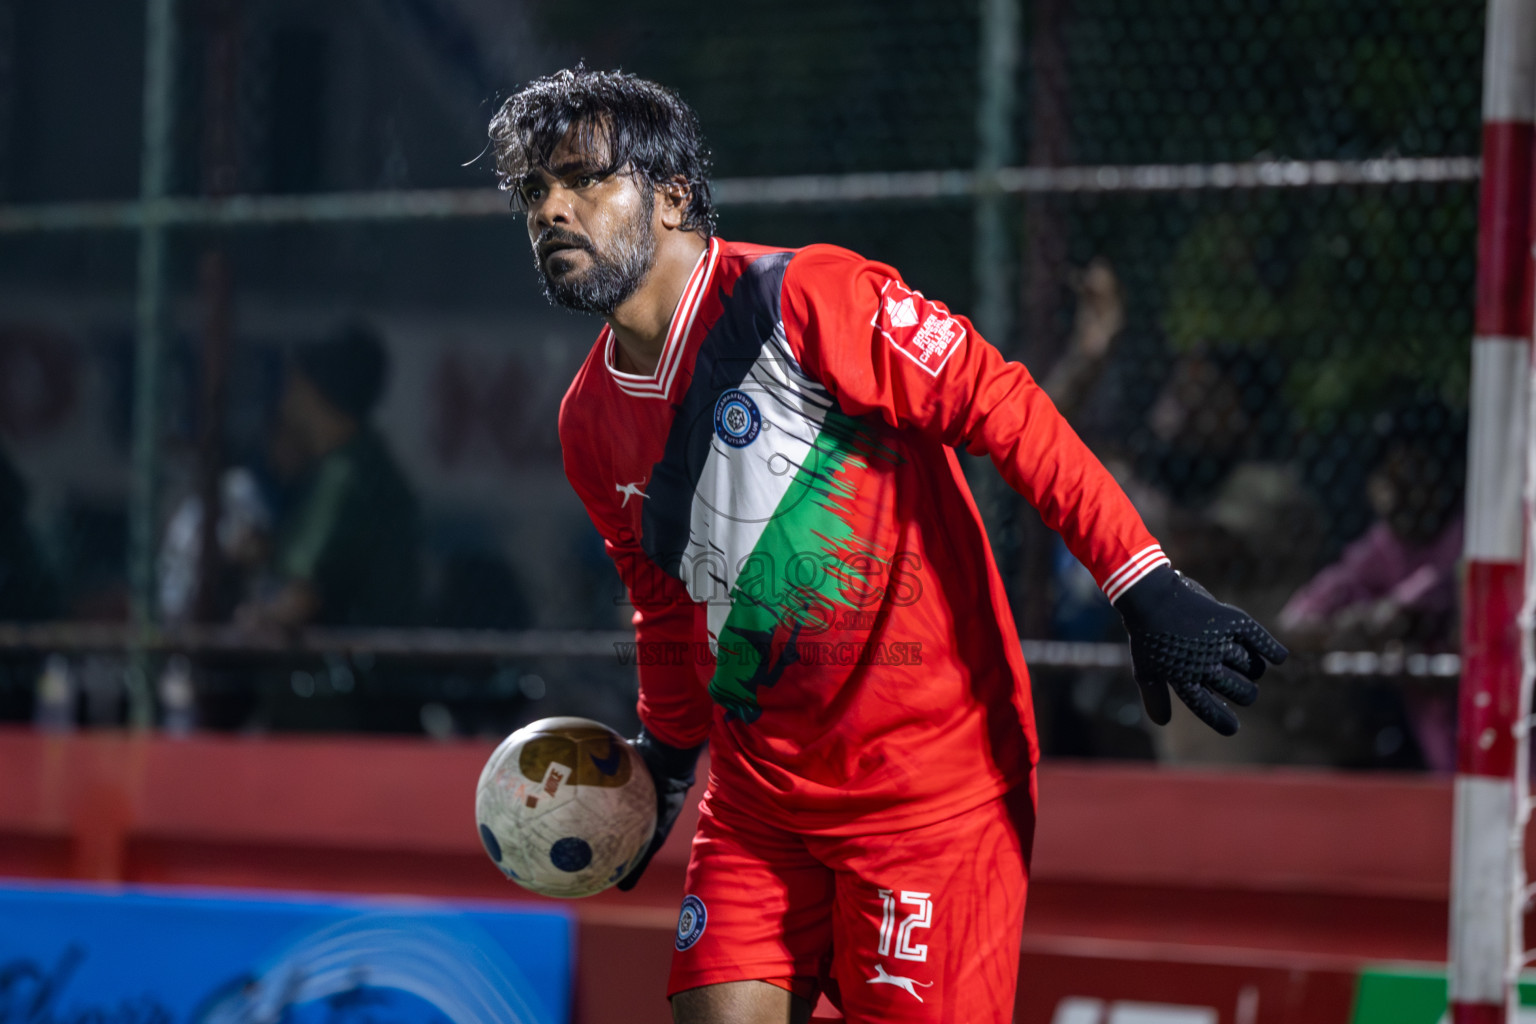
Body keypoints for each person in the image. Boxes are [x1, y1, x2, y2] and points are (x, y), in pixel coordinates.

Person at [488, 67, 1286, 1024]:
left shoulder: (807, 297)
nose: (552, 209)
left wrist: (1142, 582)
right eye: (534, 191)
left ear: (670, 197)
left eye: (583, 179)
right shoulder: (588, 420)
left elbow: (1004, 407)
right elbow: (665, 602)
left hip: (928, 792)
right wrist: (664, 755)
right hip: (758, 799)